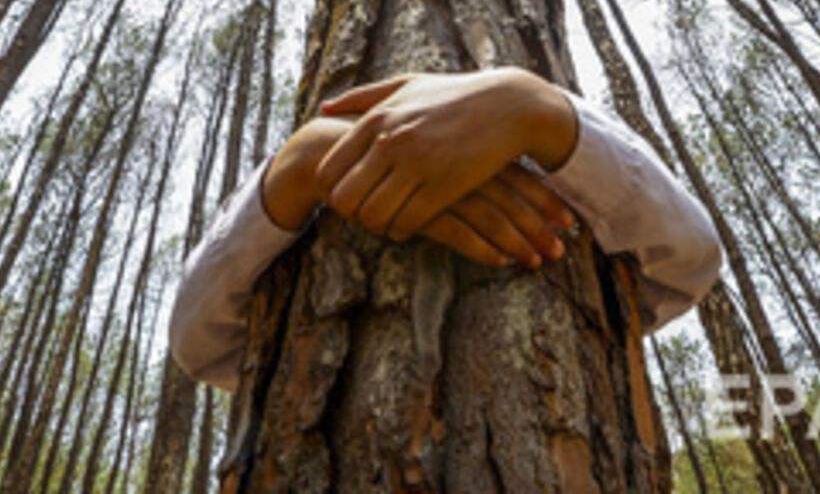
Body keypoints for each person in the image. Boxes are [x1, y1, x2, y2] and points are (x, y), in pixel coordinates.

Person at [169, 67, 723, 390]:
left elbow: (689, 258)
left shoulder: (573, 124)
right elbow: (198, 342)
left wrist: (533, 108)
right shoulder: (300, 180)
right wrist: (297, 167)